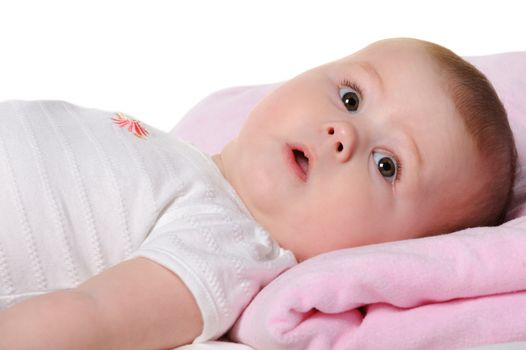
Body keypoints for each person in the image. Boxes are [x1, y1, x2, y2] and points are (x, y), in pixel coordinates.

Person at [0, 38, 517, 349]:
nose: (343, 132)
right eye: (351, 97)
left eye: (387, 166)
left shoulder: (226, 248)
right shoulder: (186, 156)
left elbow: (96, 317)